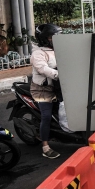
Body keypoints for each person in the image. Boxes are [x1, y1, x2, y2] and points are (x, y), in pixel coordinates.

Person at [31, 23, 62, 159]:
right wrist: (59, 74)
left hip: (59, 87)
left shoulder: (58, 49)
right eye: (51, 36)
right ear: (44, 38)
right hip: (42, 90)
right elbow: (43, 69)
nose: (53, 38)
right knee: (46, 116)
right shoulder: (38, 53)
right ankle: (45, 146)